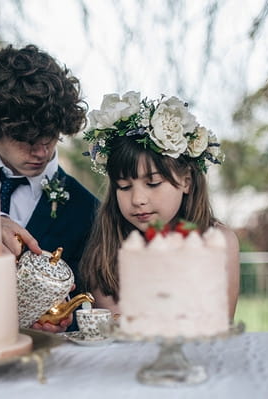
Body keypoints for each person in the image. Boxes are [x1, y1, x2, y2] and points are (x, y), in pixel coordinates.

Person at [0, 44, 100, 332]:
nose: (41, 151)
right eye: (26, 139)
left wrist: (61, 318)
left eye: (50, 137)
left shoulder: (87, 209)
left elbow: (88, 304)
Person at [80, 91, 240, 319]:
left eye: (153, 183)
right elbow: (115, 333)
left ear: (186, 182)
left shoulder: (219, 241)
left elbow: (219, 324)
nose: (137, 199)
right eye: (124, 187)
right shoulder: (107, 247)